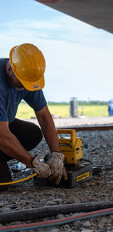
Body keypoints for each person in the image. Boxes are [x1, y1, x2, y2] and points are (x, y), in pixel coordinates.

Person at [0, 43, 67, 188]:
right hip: (1, 132)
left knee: (33, 133)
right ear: (8, 69)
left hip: (2, 127)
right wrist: (33, 163)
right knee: (3, 183)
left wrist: (55, 153)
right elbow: (2, 136)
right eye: (22, 83)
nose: (25, 87)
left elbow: (43, 116)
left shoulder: (27, 76)